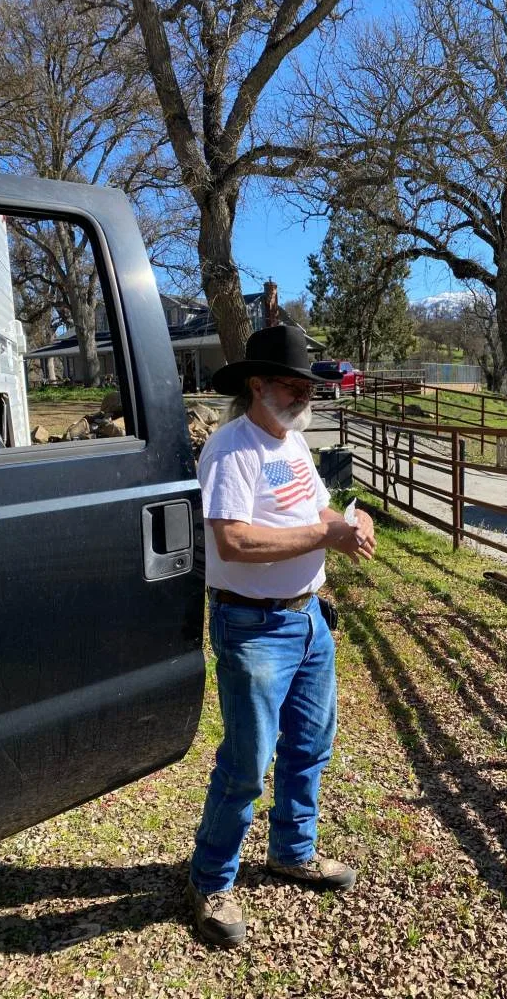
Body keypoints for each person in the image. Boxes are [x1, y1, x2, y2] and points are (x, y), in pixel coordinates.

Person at [186, 324, 376, 948]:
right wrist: (325, 535)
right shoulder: (230, 450)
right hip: (254, 624)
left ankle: (293, 850)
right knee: (247, 763)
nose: (304, 396)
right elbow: (233, 542)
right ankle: (212, 880)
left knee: (310, 745)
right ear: (256, 385)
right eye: (292, 386)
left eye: (308, 387)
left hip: (307, 616)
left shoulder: (291, 443)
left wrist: (349, 522)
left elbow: (317, 511)